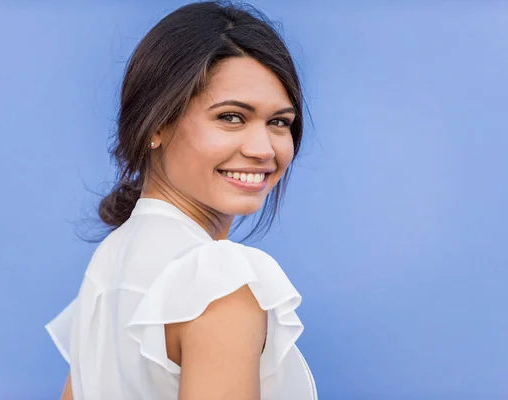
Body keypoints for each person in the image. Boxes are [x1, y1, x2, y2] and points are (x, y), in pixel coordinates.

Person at [45, 2, 317, 399]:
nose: (264, 149)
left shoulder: (111, 262)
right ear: (156, 124)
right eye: (231, 117)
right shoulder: (218, 284)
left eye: (279, 122)